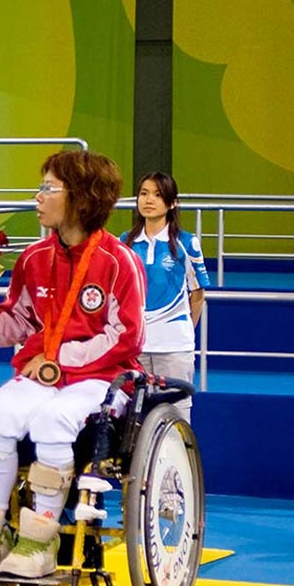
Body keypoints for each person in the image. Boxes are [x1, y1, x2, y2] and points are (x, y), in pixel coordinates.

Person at [0, 150, 145, 578]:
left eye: (48, 188)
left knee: (53, 422)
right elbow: (18, 322)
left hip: (101, 380)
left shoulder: (118, 262)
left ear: (81, 197)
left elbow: (127, 336)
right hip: (43, 372)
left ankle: (40, 539)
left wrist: (58, 359)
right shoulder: (34, 259)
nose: (38, 197)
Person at [122, 172, 208, 421]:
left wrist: (183, 334)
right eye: (144, 193)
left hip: (173, 348)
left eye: (158, 195)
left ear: (171, 203)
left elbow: (197, 295)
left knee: (176, 416)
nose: (149, 200)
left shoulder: (187, 243)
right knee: (132, 418)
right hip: (134, 347)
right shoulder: (124, 243)